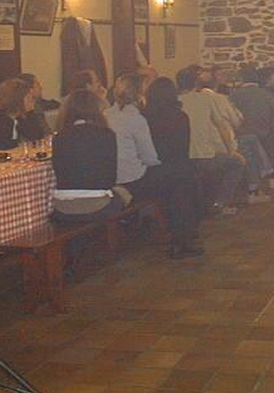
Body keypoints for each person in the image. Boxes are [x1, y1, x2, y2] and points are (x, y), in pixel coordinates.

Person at [105, 73, 202, 259]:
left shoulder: (116, 114)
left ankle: (181, 237)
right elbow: (154, 156)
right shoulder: (152, 118)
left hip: (119, 174)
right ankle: (183, 236)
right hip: (143, 173)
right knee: (182, 181)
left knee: (179, 180)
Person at [142, 77, 205, 255]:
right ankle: (184, 238)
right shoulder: (180, 117)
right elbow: (183, 146)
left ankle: (178, 238)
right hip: (178, 167)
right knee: (185, 189)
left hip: (155, 169)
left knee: (176, 189)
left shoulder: (146, 118)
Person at [177, 65, 246, 215]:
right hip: (204, 156)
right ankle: (220, 204)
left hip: (182, 158)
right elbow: (221, 126)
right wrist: (231, 151)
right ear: (195, 82)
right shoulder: (206, 99)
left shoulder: (175, 102)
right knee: (237, 163)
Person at [51, 89, 125, 220]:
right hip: (98, 205)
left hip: (63, 206)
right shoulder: (106, 135)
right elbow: (110, 178)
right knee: (125, 195)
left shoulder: (59, 137)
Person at [0, 78, 46, 150]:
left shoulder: (20, 118)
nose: (32, 100)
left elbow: (38, 138)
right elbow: (2, 148)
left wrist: (30, 113)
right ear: (17, 99)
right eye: (28, 97)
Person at [17, 73, 57, 138]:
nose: (41, 87)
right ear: (30, 90)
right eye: (37, 84)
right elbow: (43, 134)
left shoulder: (37, 104)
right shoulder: (31, 108)